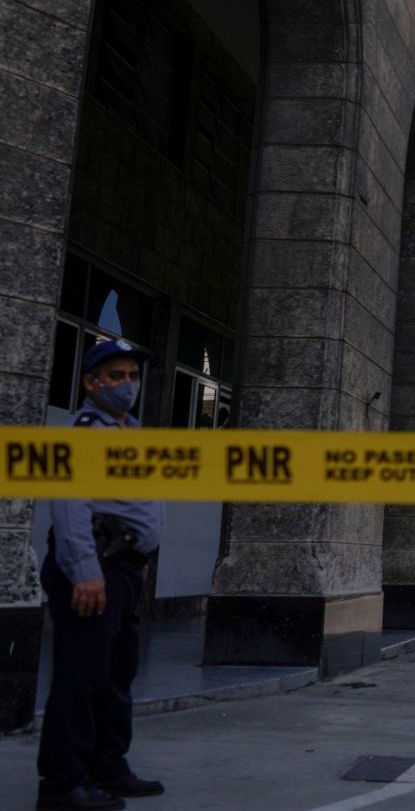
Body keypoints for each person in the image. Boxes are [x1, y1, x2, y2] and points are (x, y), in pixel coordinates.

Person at [38, 339, 166, 811]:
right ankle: (62, 785)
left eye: (133, 375)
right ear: (92, 383)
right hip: (96, 569)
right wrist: (85, 571)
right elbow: (72, 505)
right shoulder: (85, 431)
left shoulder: (129, 430)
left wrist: (143, 560)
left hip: (125, 571)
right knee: (81, 677)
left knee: (116, 676)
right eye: (116, 376)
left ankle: (109, 768)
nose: (128, 384)